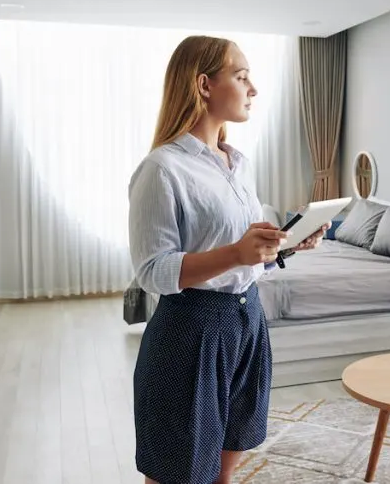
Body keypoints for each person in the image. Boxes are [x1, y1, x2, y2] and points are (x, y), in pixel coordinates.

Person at [128, 35, 328, 484]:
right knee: (179, 469)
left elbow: (243, 256)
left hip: (247, 321)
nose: (253, 88)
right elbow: (152, 271)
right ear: (203, 84)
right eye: (241, 77)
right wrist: (236, 252)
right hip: (190, 333)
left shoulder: (239, 163)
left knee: (230, 455)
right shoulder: (162, 169)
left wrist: (287, 247)